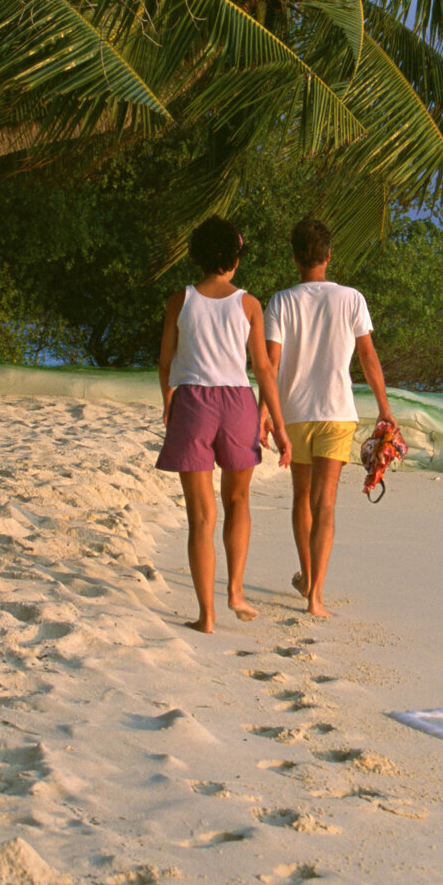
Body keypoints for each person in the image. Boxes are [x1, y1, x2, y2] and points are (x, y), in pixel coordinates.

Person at [158, 216, 291, 634]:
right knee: (238, 502)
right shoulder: (249, 305)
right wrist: (281, 428)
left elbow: (166, 361)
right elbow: (265, 371)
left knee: (200, 516)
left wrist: (168, 401)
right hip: (237, 402)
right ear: (234, 259)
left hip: (194, 401)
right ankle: (235, 590)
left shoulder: (180, 300)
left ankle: (206, 615)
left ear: (199, 255)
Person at [263, 217, 397, 618]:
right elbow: (368, 357)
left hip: (295, 413)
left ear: (295, 258)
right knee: (325, 504)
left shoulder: (281, 301)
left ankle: (307, 577)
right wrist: (385, 409)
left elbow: (270, 364)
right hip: (337, 413)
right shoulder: (351, 299)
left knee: (301, 498)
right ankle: (316, 597)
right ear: (328, 255)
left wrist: (265, 413)